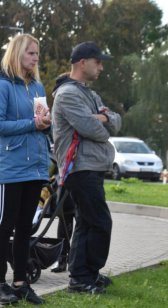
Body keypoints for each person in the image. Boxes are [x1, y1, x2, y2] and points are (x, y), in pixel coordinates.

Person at [51, 41, 122, 294]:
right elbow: (95, 130)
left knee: (85, 223)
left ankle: (83, 275)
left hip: (90, 166)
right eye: (98, 62)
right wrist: (101, 121)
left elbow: (116, 120)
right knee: (100, 222)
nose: (101, 67)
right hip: (78, 167)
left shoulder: (89, 94)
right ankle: (83, 276)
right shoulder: (68, 94)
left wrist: (103, 117)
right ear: (83, 62)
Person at [0, 34, 51, 306]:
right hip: (12, 166)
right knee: (6, 225)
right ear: (17, 54)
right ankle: (0, 285)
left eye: (37, 54)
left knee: (26, 227)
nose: (36, 58)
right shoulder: (1, 85)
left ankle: (21, 283)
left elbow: (41, 120)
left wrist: (46, 123)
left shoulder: (36, 86)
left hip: (36, 166)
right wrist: (31, 124)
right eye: (31, 54)